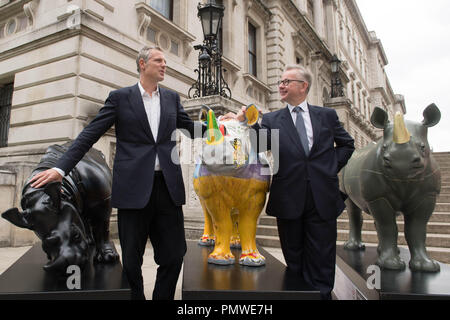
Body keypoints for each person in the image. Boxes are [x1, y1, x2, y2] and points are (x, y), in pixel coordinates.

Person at [30, 46, 204, 300]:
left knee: (175, 255)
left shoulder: (171, 98)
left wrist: (222, 125)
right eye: (159, 60)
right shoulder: (120, 98)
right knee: (131, 261)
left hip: (168, 188)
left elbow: (191, 128)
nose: (164, 65)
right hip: (133, 189)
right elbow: (91, 133)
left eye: (165, 61)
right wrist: (61, 168)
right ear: (142, 64)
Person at [228, 65, 355, 300]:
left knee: (322, 259)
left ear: (303, 86)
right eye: (281, 82)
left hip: (322, 199)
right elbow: (258, 145)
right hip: (288, 198)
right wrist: (245, 124)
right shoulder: (273, 118)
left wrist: (329, 167)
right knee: (294, 261)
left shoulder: (326, 116)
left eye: (287, 81)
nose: (281, 85)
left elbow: (347, 144)